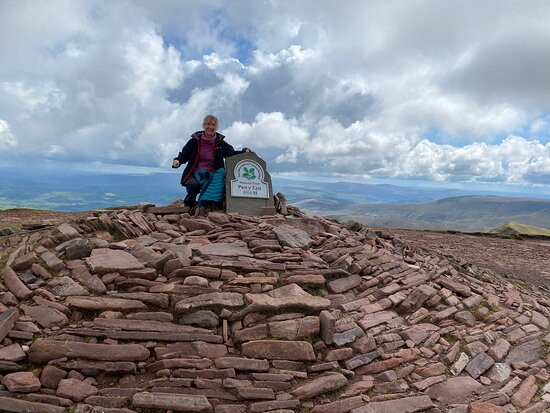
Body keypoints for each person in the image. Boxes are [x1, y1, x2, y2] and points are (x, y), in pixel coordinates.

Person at [172, 115, 253, 216]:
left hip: (213, 173)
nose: (210, 127)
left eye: (213, 125)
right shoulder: (194, 141)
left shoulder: (220, 142)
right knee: (194, 186)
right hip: (195, 173)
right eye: (208, 124)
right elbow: (184, 154)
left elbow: (231, 152)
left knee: (215, 183)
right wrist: (177, 161)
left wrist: (244, 151)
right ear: (203, 125)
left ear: (216, 127)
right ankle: (190, 201)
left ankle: (203, 206)